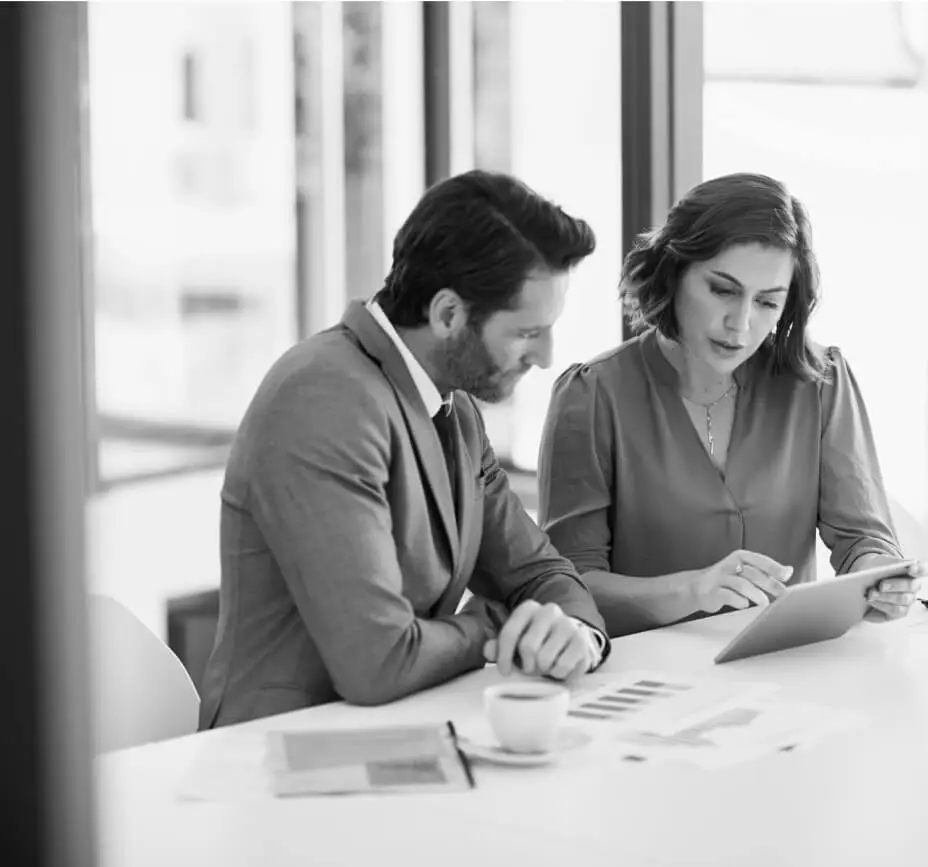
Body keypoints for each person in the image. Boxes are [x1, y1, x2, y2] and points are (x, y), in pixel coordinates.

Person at [199, 169, 609, 728]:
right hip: (281, 758)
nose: (545, 356)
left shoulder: (455, 409)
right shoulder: (323, 397)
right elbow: (380, 661)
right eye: (526, 332)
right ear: (447, 315)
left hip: (404, 736)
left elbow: (538, 572)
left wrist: (574, 634)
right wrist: (498, 625)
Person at [537, 172, 925, 637]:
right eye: (723, 290)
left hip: (785, 669)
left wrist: (882, 579)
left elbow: (863, 538)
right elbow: (567, 587)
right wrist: (693, 590)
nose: (740, 324)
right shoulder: (592, 396)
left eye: (767, 302)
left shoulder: (819, 383)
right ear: (674, 272)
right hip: (644, 680)